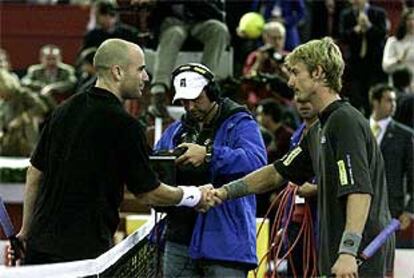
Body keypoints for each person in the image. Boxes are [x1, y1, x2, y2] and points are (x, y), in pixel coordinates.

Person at [12, 39, 214, 265]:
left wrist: (25, 233)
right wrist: (194, 196)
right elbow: (149, 193)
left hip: (38, 250)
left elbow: (34, 173)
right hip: (83, 257)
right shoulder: (126, 125)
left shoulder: (63, 111)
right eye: (140, 69)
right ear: (117, 72)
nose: (146, 77)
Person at [212, 37, 394, 277]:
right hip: (340, 254)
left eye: (296, 73)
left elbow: (359, 191)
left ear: (318, 72)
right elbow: (277, 172)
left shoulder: (344, 122)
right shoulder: (320, 127)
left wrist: (348, 252)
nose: (290, 82)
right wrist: (223, 192)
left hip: (358, 257)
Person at [155, 63, 267, 277]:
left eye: (196, 99)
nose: (190, 107)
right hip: (178, 238)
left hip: (226, 241)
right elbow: (155, 164)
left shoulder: (241, 123)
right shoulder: (176, 130)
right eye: (185, 101)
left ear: (212, 93)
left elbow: (257, 162)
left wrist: (208, 155)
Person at [133, 0, 230, 117]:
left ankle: (204, 86)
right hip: (172, 23)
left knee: (219, 29)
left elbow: (215, 11)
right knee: (175, 33)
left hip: (199, 21)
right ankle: (158, 92)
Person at [369, 83, 414, 248]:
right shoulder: (359, 130)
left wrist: (410, 210)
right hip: (359, 204)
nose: (393, 105)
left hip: (391, 209)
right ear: (375, 102)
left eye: (394, 101)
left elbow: (413, 174)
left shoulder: (405, 135)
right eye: (389, 101)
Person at [0, 69, 49, 157]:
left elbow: (41, 107)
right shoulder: (4, 102)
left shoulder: (22, 93)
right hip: (10, 144)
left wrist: (21, 119)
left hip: (26, 140)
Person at [382, 8, 414, 90]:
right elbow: (385, 67)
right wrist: (398, 60)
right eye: (409, 19)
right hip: (399, 88)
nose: (412, 22)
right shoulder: (393, 41)